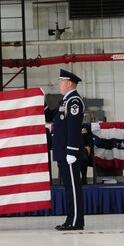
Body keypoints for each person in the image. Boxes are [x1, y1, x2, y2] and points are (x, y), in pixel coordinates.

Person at [52, 69, 86, 231]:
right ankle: (70, 218)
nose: (59, 85)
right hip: (63, 152)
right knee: (68, 188)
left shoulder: (74, 102)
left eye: (61, 82)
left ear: (69, 83)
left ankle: (76, 221)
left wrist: (71, 151)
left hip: (69, 152)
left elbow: (73, 128)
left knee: (73, 187)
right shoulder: (64, 101)